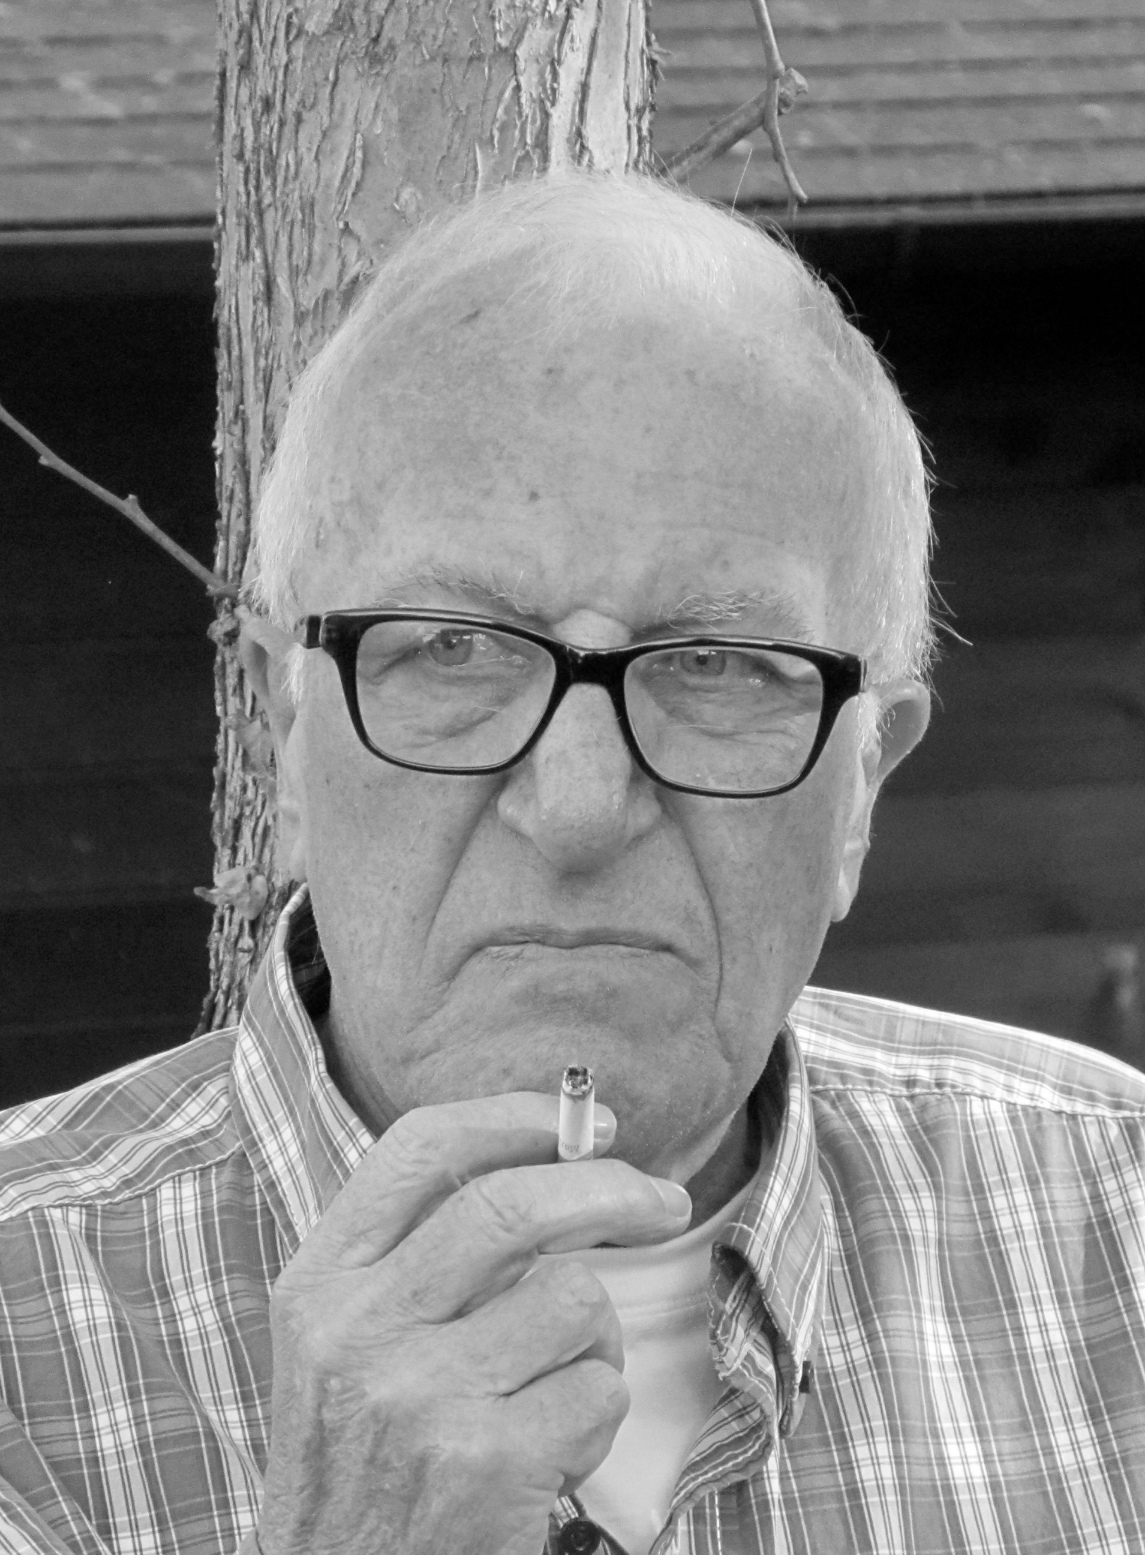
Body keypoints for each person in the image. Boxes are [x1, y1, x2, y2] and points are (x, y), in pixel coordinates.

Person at [1, 172, 1142, 1555]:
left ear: (861, 788)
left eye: (718, 665)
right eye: (455, 650)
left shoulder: (1117, 1225)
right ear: (285, 738)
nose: (583, 806)